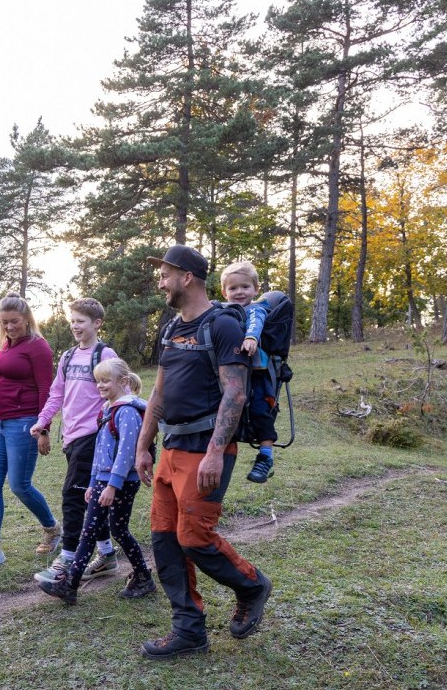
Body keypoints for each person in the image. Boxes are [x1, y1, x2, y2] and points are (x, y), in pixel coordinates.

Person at [134, 245, 272, 659]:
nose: (160, 281)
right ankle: (189, 629)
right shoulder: (171, 328)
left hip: (205, 448)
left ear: (187, 277)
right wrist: (143, 446)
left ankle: (252, 585)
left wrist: (216, 452)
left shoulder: (223, 325)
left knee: (194, 537)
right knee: (164, 540)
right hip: (171, 449)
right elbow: (158, 391)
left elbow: (236, 390)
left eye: (165, 274)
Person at [37, 358, 156, 604]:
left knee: (92, 530)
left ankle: (70, 584)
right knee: (115, 531)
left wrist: (112, 485)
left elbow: (125, 454)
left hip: (120, 482)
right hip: (103, 481)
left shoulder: (127, 413)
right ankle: (143, 576)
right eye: (97, 381)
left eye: (105, 381)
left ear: (122, 382)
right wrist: (92, 482)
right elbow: (99, 451)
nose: (99, 386)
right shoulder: (106, 410)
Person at [0, 292, 60, 571]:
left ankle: (53, 530)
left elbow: (46, 389)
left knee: (19, 485)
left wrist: (44, 428)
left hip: (25, 423)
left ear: (27, 318)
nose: (9, 327)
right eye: (4, 322)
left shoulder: (38, 346)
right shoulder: (5, 346)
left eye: (14, 321)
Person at [30, 298, 122, 585]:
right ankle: (107, 555)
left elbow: (121, 389)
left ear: (96, 323)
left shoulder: (104, 354)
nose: (75, 326)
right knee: (89, 497)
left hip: (95, 437)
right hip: (71, 439)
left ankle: (67, 559)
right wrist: (43, 420)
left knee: (72, 496)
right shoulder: (68, 357)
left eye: (80, 320)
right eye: (72, 320)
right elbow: (57, 393)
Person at [219, 261, 277, 483]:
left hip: (256, 372)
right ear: (225, 292)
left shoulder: (257, 309)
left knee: (261, 412)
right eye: (233, 288)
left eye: (245, 287)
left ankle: (265, 456)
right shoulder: (221, 310)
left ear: (256, 289)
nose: (239, 292)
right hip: (230, 371)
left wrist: (251, 337)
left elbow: (256, 322)